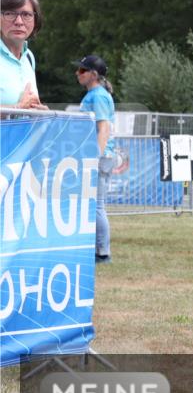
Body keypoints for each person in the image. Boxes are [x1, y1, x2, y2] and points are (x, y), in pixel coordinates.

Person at [75, 55, 116, 264]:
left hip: (100, 156)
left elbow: (104, 128)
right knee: (93, 204)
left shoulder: (98, 96)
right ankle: (97, 249)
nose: (77, 73)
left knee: (96, 205)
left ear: (93, 74)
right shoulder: (94, 95)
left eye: (82, 70)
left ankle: (102, 253)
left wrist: (95, 156)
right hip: (98, 155)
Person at [1, 0, 47, 109]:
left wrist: (41, 114)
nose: (19, 21)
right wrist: (17, 108)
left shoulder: (29, 57)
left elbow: (26, 107)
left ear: (35, 20)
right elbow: (21, 107)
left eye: (26, 14)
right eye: (10, 14)